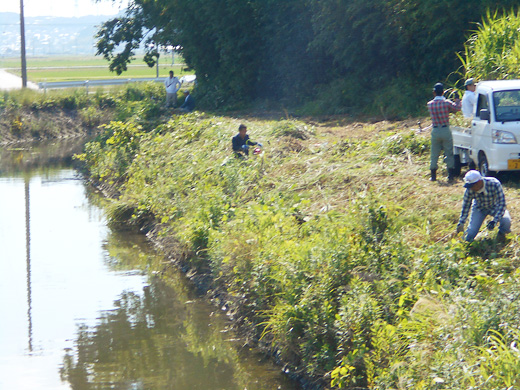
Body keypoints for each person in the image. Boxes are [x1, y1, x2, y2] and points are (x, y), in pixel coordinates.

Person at [456, 170, 511, 242]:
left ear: (479, 182)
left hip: (495, 206)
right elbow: (466, 206)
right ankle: (465, 242)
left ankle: (501, 236)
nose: (471, 188)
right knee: (470, 234)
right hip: (479, 208)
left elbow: (502, 204)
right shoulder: (469, 190)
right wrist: (461, 222)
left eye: (472, 186)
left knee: (506, 221)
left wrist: (494, 221)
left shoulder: (494, 184)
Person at [427, 82, 461, 182]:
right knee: (449, 152)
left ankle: (433, 175)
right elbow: (457, 108)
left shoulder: (430, 105)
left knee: (434, 153)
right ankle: (450, 175)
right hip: (445, 129)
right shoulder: (446, 103)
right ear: (443, 92)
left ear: (434, 93)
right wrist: (457, 99)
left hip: (435, 129)